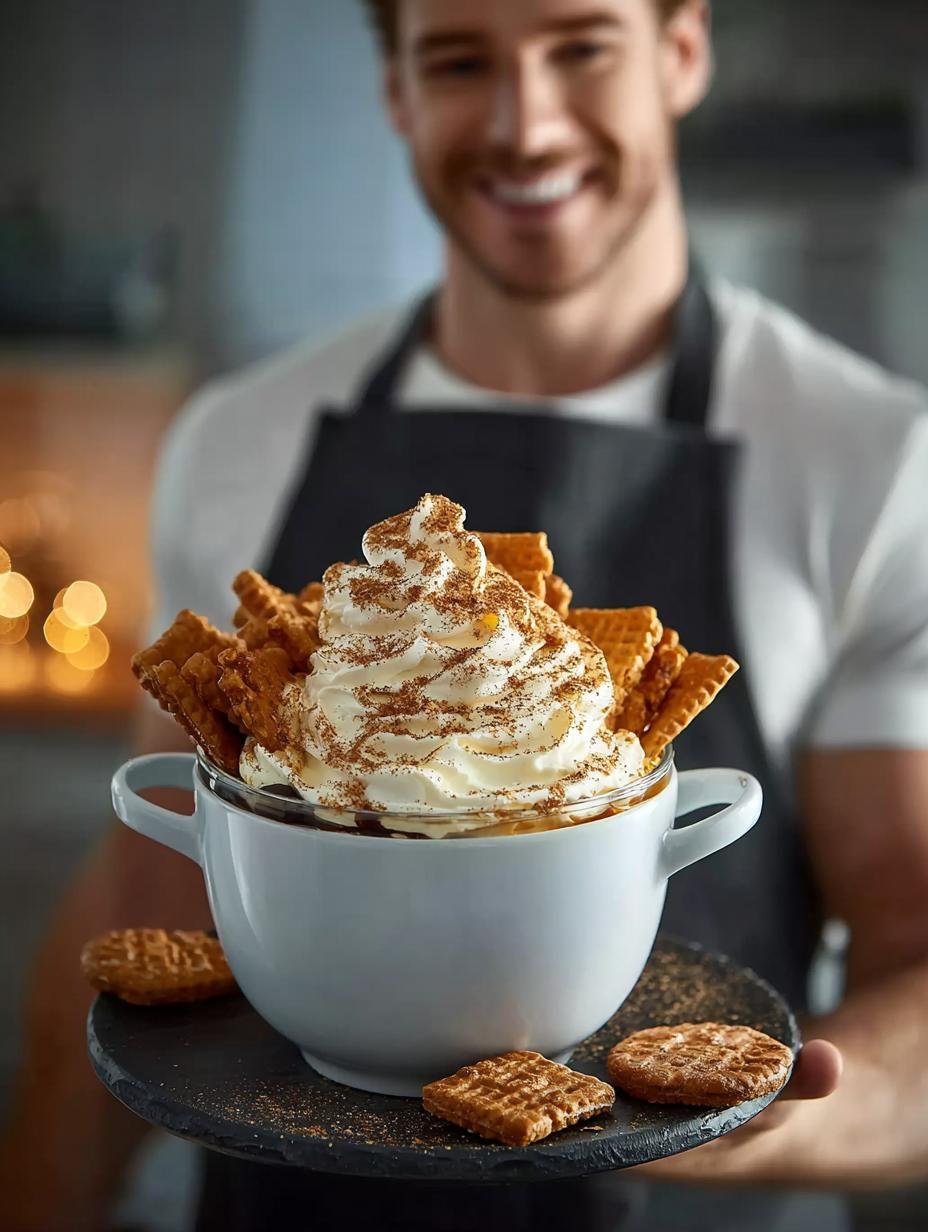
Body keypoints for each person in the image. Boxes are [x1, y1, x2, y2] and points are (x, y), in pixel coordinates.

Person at [3, 0, 928, 1228]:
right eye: (456, 58)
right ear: (394, 91)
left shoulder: (868, 460)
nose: (523, 121)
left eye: (580, 44)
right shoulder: (241, 435)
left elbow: (910, 934)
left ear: (682, 50)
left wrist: (730, 1128)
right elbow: (157, 884)